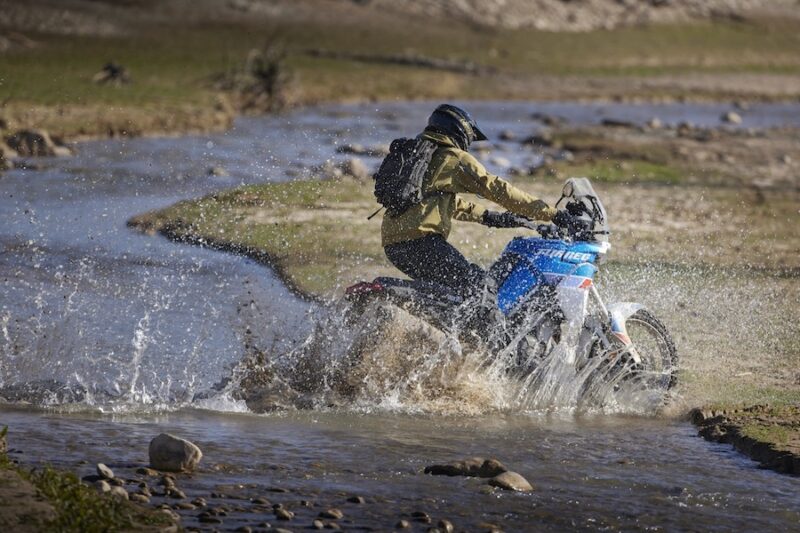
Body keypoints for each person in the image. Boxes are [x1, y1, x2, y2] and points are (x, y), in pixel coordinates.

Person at [381, 104, 574, 297]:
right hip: (422, 244)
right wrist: (553, 214)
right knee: (481, 289)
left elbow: (439, 204)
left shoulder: (422, 157)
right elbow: (498, 189)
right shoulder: (454, 158)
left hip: (394, 247)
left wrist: (489, 216)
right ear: (460, 130)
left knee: (452, 292)